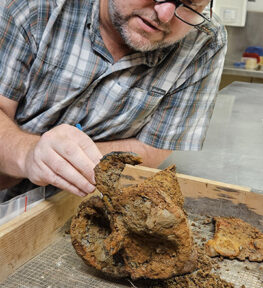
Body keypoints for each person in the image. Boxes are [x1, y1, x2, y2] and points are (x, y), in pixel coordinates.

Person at [0, 0, 227, 201]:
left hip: (87, 200)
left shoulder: (205, 40)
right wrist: (30, 154)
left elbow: (153, 148)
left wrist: (65, 162)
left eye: (189, 4)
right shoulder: (33, 6)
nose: (165, 14)